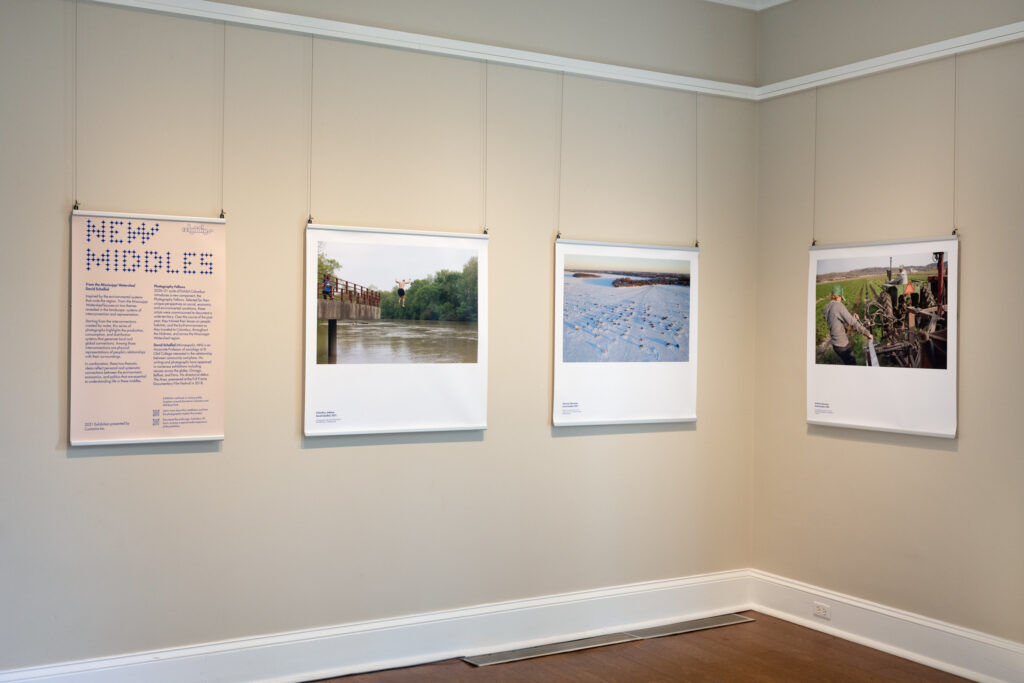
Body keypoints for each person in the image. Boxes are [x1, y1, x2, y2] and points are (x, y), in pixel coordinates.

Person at [823, 284, 873, 365]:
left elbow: (836, 322)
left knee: (846, 362)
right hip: (842, 345)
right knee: (852, 364)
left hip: (835, 344)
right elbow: (853, 323)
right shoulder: (838, 305)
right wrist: (868, 334)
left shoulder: (827, 306)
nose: (841, 300)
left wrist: (851, 318)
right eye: (841, 298)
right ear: (839, 296)